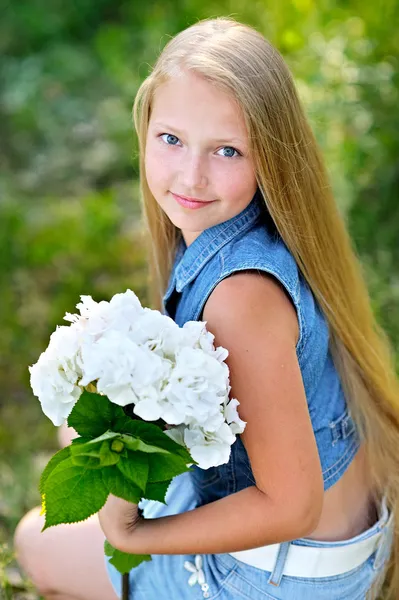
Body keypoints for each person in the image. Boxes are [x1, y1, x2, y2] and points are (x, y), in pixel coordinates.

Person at [14, 16, 399, 600]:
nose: (191, 176)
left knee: (36, 542)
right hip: (324, 536)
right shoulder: (250, 235)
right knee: (79, 434)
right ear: (144, 130)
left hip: (276, 576)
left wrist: (133, 534)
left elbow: (293, 505)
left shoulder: (240, 299)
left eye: (226, 150)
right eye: (171, 139)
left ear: (271, 156)